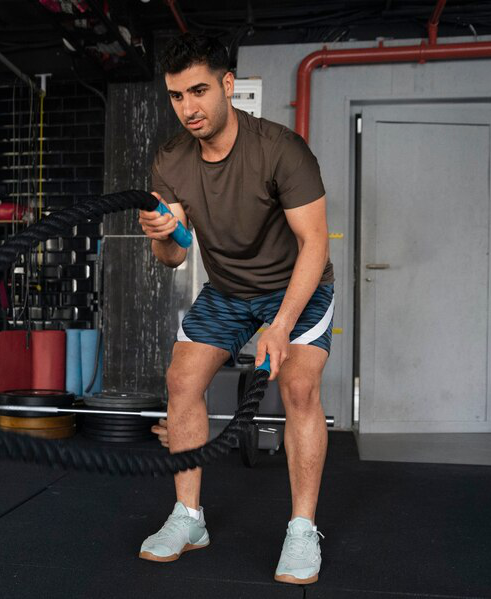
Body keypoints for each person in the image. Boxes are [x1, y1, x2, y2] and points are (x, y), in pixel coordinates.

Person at [136, 33, 335, 586]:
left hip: (297, 284)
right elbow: (173, 257)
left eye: (198, 91)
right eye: (176, 97)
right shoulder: (171, 160)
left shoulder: (281, 148)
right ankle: (188, 516)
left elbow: (315, 245)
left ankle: (301, 527)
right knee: (181, 381)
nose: (189, 108)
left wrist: (281, 325)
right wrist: (161, 233)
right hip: (228, 289)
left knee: (297, 388)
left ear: (228, 86)